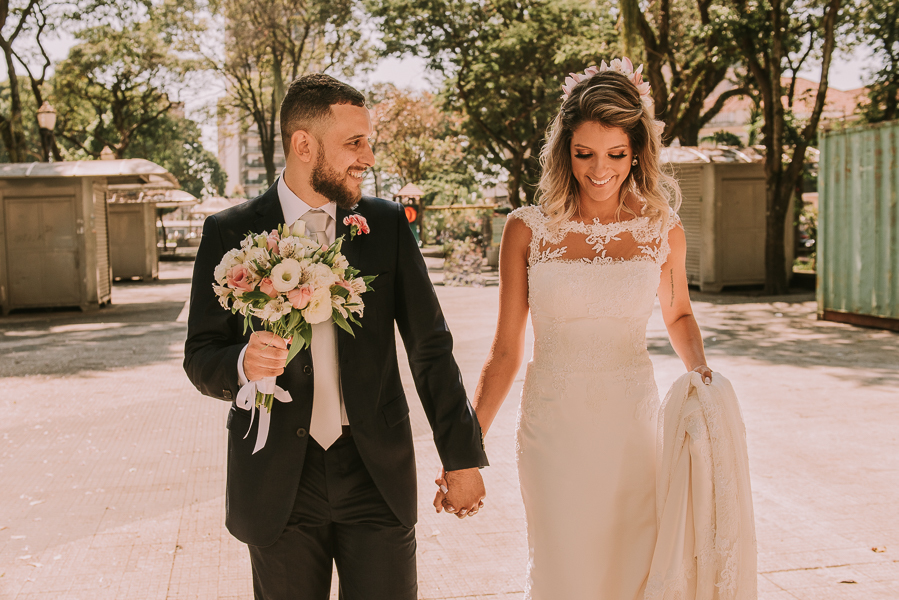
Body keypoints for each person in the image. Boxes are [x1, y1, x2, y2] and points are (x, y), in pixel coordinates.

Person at [183, 73, 488, 600]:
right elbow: (200, 354)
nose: (368, 157)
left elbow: (431, 348)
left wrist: (461, 455)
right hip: (277, 477)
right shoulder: (228, 232)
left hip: (375, 471)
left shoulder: (386, 225)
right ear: (304, 145)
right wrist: (241, 363)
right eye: (355, 142)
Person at [438, 59, 717, 598]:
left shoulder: (663, 229)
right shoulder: (526, 230)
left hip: (632, 429)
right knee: (562, 572)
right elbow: (505, 352)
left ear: (637, 152)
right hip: (553, 431)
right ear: (564, 150)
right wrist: (464, 450)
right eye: (584, 153)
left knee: (633, 570)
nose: (600, 170)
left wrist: (700, 370)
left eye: (616, 154)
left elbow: (678, 313)